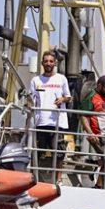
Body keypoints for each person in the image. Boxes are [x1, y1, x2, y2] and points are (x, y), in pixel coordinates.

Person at [30, 50, 72, 183]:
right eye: (46, 61)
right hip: (40, 122)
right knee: (37, 152)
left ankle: (58, 179)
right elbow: (30, 99)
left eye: (51, 61)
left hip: (57, 122)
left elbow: (69, 97)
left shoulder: (61, 78)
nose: (48, 64)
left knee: (58, 152)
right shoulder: (35, 80)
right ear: (42, 63)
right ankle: (34, 178)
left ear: (55, 63)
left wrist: (62, 100)